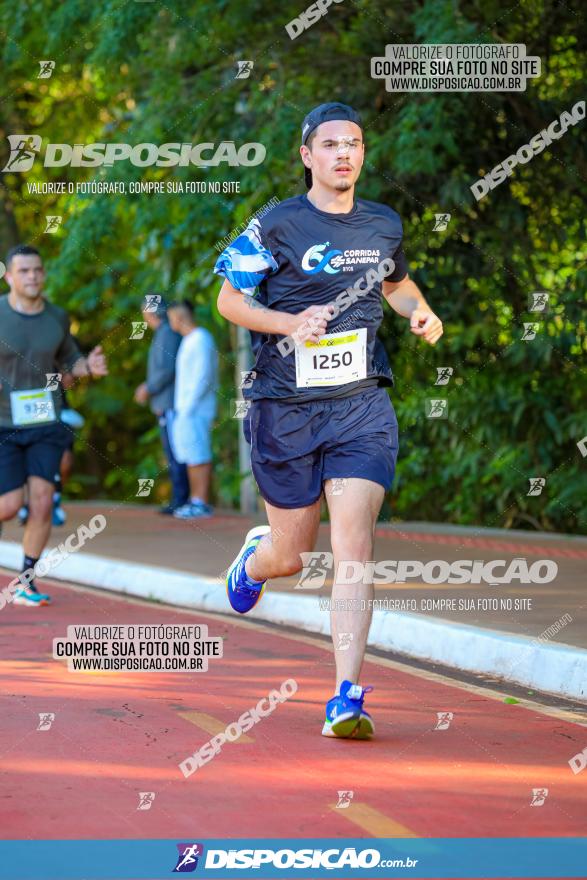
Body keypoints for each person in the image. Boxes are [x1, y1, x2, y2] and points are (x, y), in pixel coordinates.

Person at [214, 103, 443, 739]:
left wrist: (419, 313)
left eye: (355, 144)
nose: (345, 154)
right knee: (293, 554)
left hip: (360, 407)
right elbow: (229, 299)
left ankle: (346, 695)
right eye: (331, 144)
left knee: (354, 544)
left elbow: (396, 284)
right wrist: (290, 323)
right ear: (307, 155)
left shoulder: (383, 223)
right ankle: (256, 560)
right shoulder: (277, 223)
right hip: (285, 408)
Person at [0, 244, 108, 606]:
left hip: (46, 420)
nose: (32, 276)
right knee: (10, 505)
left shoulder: (58, 318)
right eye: (24, 271)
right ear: (9, 276)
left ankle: (25, 581)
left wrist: (87, 367)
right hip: (3, 424)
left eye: (37, 270)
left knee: (43, 501)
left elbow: (70, 362)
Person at [134, 296, 190, 514]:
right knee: (172, 452)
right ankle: (179, 498)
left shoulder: (166, 333)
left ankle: (180, 499)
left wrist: (148, 388)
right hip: (165, 401)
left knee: (175, 452)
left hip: (169, 402)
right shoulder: (163, 333)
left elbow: (166, 370)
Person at [166, 301, 218, 519]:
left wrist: (188, 407)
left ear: (179, 317)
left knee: (199, 454)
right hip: (185, 410)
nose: (170, 323)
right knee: (190, 455)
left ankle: (201, 501)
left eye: (170, 318)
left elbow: (202, 377)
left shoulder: (200, 339)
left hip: (195, 409)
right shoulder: (189, 340)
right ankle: (194, 500)